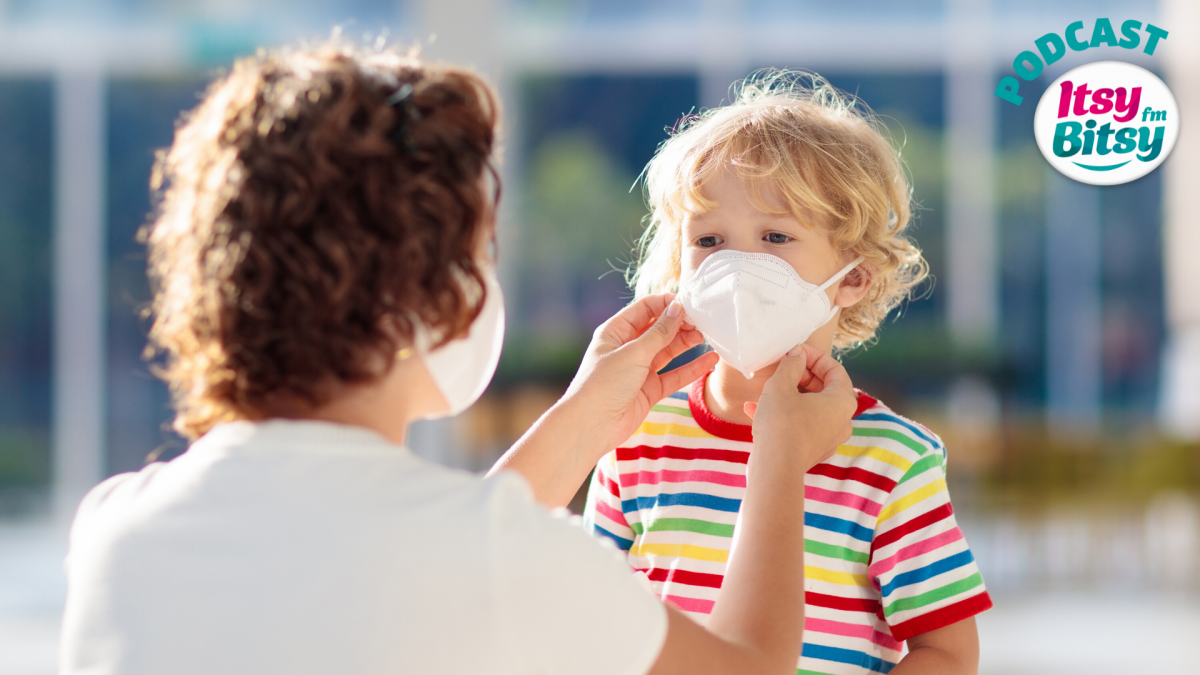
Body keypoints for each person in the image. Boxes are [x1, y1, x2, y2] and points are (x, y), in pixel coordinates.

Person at [58, 43, 861, 675]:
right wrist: (781, 451)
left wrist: (586, 418)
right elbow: (749, 667)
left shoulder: (115, 528)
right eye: (482, 252)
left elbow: (422, 563)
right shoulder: (497, 559)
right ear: (437, 293)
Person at [581, 71, 993, 675]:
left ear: (853, 277)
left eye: (776, 236)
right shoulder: (636, 436)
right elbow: (591, 619)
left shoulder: (893, 459)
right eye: (710, 239)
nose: (740, 265)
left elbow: (948, 652)